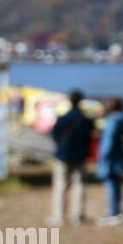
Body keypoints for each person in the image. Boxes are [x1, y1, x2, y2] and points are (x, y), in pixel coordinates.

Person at [49, 90, 94, 226]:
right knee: (79, 184)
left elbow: (54, 135)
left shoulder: (62, 119)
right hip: (80, 155)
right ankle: (78, 216)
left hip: (63, 155)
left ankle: (59, 216)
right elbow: (90, 136)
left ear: (69, 100)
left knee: (60, 185)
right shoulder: (86, 120)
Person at [95, 98, 123, 225]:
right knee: (117, 186)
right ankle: (117, 211)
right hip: (119, 157)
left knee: (111, 186)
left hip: (110, 159)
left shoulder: (112, 121)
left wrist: (102, 157)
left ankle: (113, 213)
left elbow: (108, 142)